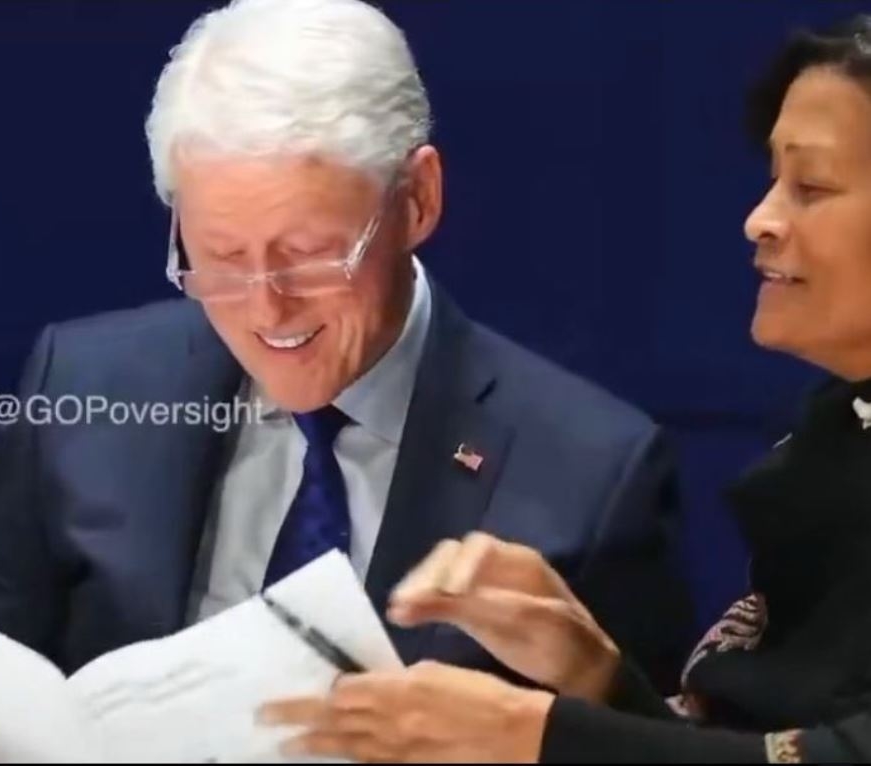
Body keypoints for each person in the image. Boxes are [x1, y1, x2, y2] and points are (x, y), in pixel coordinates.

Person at [0, 0, 692, 761]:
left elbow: (652, 751)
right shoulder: (83, 385)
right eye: (221, 258)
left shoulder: (592, 471)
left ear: (417, 200)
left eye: (310, 254)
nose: (266, 308)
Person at [259, 14, 871, 764]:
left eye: (811, 186)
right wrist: (592, 675)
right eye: (773, 179)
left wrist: (529, 735)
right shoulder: (833, 438)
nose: (760, 219)